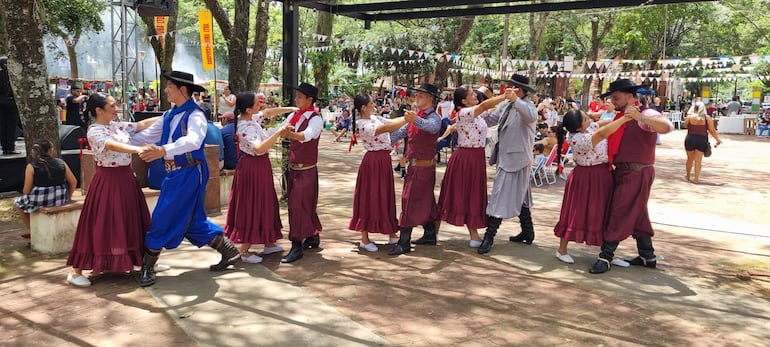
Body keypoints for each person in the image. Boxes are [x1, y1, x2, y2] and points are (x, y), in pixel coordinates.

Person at [130, 71, 242, 287]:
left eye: (169, 86)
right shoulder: (170, 115)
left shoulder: (195, 115)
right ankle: (229, 250)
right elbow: (146, 136)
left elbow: (193, 141)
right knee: (190, 221)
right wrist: (115, 138)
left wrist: (163, 150)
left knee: (163, 216)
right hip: (175, 173)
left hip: (190, 172)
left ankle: (147, 266)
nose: (165, 90)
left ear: (182, 90)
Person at [65, 93, 158, 287]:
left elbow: (140, 125)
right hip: (107, 180)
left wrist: (170, 114)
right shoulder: (94, 130)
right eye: (112, 106)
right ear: (99, 110)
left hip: (126, 178)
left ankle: (145, 261)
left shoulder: (117, 125)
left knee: (133, 219)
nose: (116, 108)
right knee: (100, 222)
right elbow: (110, 144)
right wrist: (136, 150)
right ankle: (76, 272)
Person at [589, 79, 674, 274]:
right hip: (623, 171)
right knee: (637, 212)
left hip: (637, 171)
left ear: (629, 97)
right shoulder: (620, 116)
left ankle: (606, 255)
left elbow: (667, 127)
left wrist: (640, 118)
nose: (613, 101)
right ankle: (647, 255)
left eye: (616, 97)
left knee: (619, 211)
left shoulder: (646, 113)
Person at [224, 92, 296, 263]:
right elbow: (259, 148)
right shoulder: (244, 127)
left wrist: (292, 109)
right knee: (252, 203)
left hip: (260, 166)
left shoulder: (249, 118)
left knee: (266, 201)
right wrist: (278, 132)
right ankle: (244, 250)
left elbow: (269, 113)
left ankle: (269, 241)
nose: (261, 106)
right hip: (252, 168)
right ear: (248, 109)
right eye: (257, 104)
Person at [553, 110, 633, 263]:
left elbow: (602, 124)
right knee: (575, 213)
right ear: (578, 128)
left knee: (604, 213)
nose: (589, 119)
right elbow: (601, 134)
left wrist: (618, 115)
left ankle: (607, 253)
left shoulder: (588, 128)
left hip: (601, 175)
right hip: (585, 178)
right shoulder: (577, 138)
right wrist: (624, 119)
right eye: (585, 119)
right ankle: (561, 250)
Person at [437, 86, 512, 248]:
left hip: (476, 158)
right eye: (471, 94)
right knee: (454, 194)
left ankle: (473, 234)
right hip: (465, 158)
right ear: (464, 101)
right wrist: (504, 96)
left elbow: (489, 108)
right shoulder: (464, 113)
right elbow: (485, 106)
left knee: (473, 195)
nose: (476, 95)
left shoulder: (475, 114)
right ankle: (434, 232)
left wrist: (507, 100)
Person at [478, 74, 538, 254]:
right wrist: (480, 107)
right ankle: (528, 232)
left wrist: (516, 101)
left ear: (519, 90)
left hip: (518, 159)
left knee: (499, 196)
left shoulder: (527, 105)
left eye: (511, 87)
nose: (507, 90)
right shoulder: (506, 105)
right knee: (522, 196)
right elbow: (489, 120)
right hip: (507, 157)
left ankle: (489, 236)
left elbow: (530, 116)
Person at [388, 83, 442, 255]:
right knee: (425, 201)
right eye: (417, 94)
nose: (416, 97)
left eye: (421, 95)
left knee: (408, 199)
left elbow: (432, 127)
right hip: (414, 167)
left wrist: (415, 120)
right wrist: (378, 137)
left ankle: (404, 242)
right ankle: (430, 234)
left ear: (430, 99)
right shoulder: (415, 116)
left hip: (423, 167)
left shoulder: (433, 117)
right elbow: (398, 133)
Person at [348, 93, 407, 251]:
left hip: (383, 161)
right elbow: (387, 128)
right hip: (373, 162)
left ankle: (391, 232)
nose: (374, 105)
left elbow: (391, 122)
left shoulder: (374, 117)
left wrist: (408, 117)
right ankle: (364, 238)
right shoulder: (363, 124)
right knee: (370, 196)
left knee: (385, 195)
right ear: (363, 108)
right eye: (371, 103)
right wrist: (407, 119)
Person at [276, 82, 324, 263]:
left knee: (298, 206)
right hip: (295, 169)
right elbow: (279, 129)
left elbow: (308, 135)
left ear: (309, 100)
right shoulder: (295, 116)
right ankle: (312, 235)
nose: (296, 99)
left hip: (307, 170)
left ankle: (296, 246)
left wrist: (291, 135)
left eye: (299, 97)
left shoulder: (316, 119)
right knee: (303, 204)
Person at [14, 139, 77, 238]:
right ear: (51, 150)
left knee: (18, 203)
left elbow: (26, 191)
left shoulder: (31, 166)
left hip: (40, 199)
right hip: (60, 198)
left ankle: (33, 230)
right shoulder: (61, 162)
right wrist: (68, 197)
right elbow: (73, 182)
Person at [684, 101, 722, 184]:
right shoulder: (707, 118)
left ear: (694, 108)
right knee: (698, 160)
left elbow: (686, 126)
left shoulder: (689, 117)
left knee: (690, 158)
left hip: (690, 138)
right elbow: (712, 130)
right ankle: (696, 179)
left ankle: (687, 176)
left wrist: (690, 113)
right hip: (702, 139)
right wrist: (717, 139)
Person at [0, 56, 21, 155]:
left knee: (2, 125)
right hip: (11, 101)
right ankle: (10, 147)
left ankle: (4, 147)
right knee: (11, 125)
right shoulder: (12, 75)